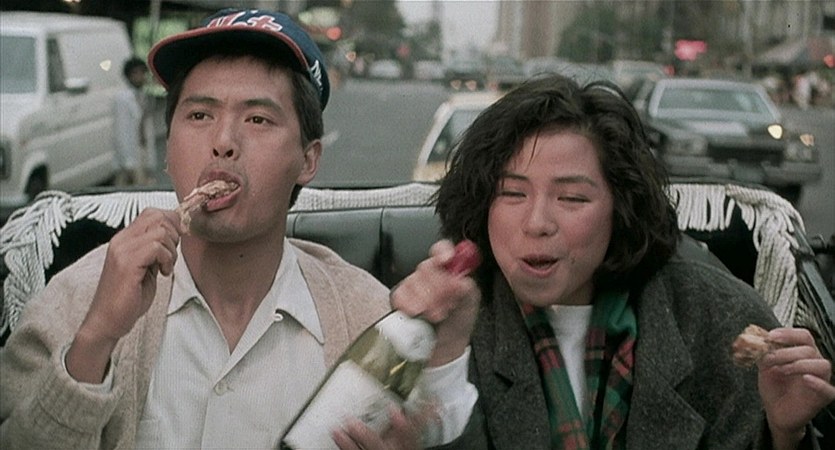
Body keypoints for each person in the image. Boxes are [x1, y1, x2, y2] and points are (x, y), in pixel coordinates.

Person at [0, 8, 476, 449]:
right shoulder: (80, 300)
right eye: (199, 115)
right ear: (168, 150)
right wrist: (97, 339)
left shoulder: (367, 318)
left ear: (308, 160)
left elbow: (438, 421)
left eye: (257, 119)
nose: (223, 142)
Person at [392, 74, 835, 449]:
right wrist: (445, 358)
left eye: (572, 198)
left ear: (620, 208)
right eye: (512, 193)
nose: (537, 223)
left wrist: (785, 435)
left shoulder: (719, 319)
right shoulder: (440, 318)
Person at [112, 56, 155, 186]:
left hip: (142, 149)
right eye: (136, 73)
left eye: (142, 72)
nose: (140, 76)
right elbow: (121, 132)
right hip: (130, 155)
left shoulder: (143, 96)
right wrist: (127, 163)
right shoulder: (122, 99)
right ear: (128, 76)